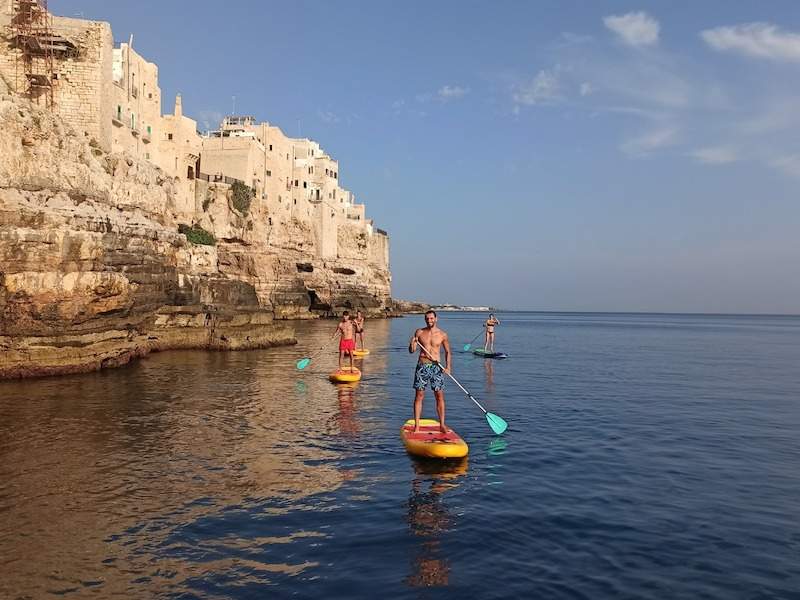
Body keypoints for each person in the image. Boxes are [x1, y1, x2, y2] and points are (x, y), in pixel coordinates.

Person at [408, 310, 452, 433]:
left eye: (431, 318)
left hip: (436, 367)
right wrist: (412, 343)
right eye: (427, 319)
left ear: (436, 319)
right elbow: (412, 351)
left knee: (439, 396)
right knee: (419, 396)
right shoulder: (420, 332)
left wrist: (448, 367)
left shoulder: (443, 335)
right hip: (422, 366)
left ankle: (442, 425)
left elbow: (448, 352)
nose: (429, 320)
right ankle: (417, 426)